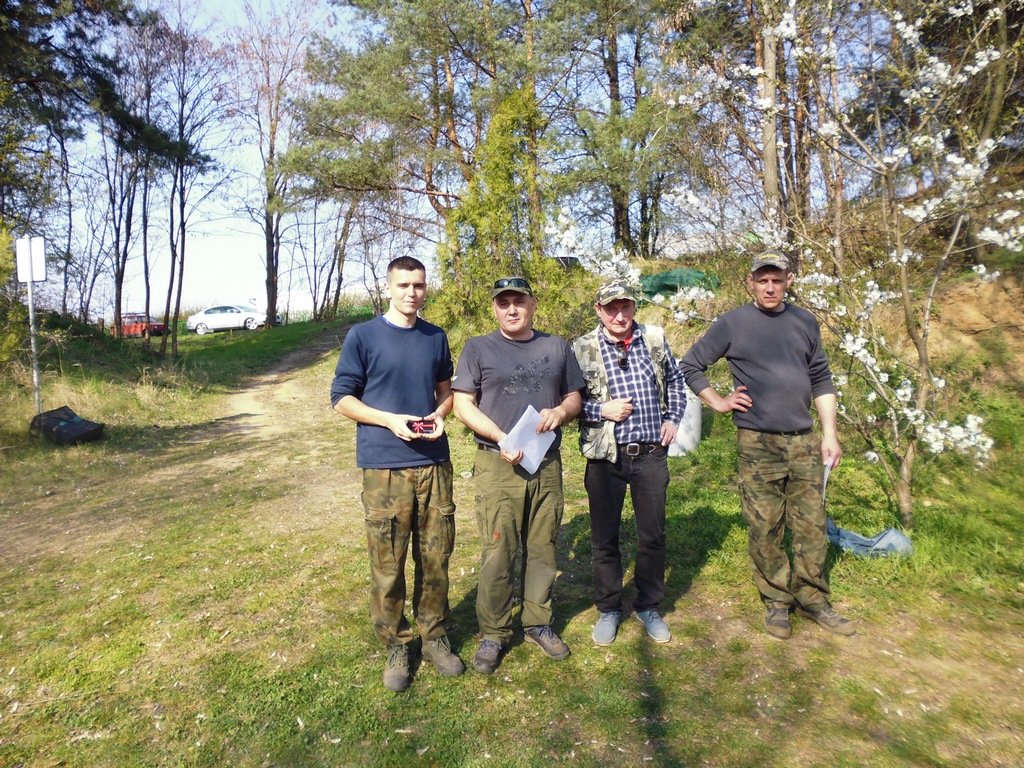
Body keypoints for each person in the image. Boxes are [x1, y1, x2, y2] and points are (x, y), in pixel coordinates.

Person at [680, 250, 855, 639]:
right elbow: (691, 365)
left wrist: (830, 433)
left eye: (777, 280)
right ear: (751, 282)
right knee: (764, 526)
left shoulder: (804, 321)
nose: (770, 287)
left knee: (812, 525)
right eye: (763, 280)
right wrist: (718, 401)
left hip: (804, 441)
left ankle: (813, 599)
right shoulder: (733, 324)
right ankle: (777, 601)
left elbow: (821, 378)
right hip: (758, 443)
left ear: (789, 281)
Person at [330, 256, 464, 692]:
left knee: (436, 558)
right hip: (384, 467)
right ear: (388, 287)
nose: (412, 292)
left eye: (419, 285)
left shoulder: (435, 337)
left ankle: (434, 636)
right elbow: (342, 399)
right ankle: (396, 643)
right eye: (404, 285)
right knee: (387, 565)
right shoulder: (363, 336)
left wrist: (440, 415)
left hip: (433, 464)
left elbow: (446, 392)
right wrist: (389, 420)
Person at [452, 276, 584, 674]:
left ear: (533, 304)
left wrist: (561, 412)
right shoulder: (478, 348)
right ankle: (493, 632)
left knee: (543, 545)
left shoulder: (556, 346)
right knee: (499, 548)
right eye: (503, 302)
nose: (512, 309)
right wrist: (500, 437)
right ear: (495, 308)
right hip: (498, 463)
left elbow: (574, 396)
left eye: (519, 301)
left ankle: (537, 622)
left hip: (545, 462)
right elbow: (462, 404)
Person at [572, 279, 687, 646]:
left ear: (634, 307)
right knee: (604, 538)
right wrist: (601, 409)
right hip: (605, 457)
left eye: (625, 307)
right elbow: (568, 402)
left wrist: (673, 419)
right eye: (611, 308)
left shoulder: (654, 339)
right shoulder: (582, 348)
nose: (619, 315)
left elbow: (676, 382)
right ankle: (609, 608)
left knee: (652, 535)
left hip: (650, 454)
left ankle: (648, 605)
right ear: (598, 310)